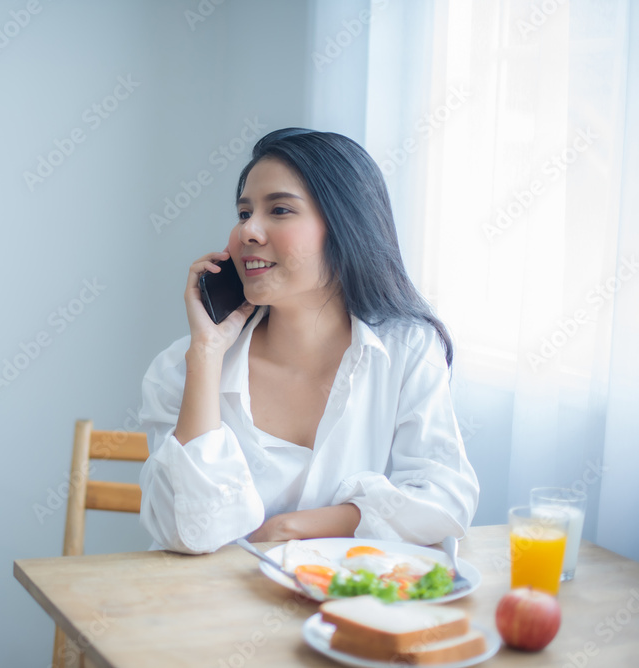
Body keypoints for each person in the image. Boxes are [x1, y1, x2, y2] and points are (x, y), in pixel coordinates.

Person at [138, 128, 479, 554]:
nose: (248, 231)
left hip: (331, 612)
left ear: (345, 227)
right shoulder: (182, 369)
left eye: (279, 210)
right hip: (206, 612)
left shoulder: (407, 350)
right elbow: (187, 534)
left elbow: (446, 497)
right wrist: (205, 356)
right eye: (244, 213)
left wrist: (296, 527)